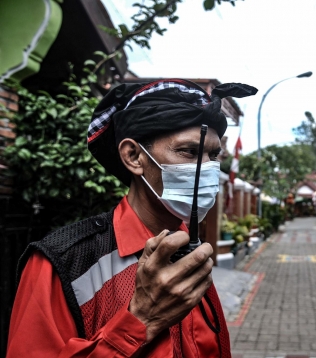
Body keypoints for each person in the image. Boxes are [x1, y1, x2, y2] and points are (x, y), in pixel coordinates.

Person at [7, 79, 257, 357]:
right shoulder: (64, 264)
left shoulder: (191, 248)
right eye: (189, 152)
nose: (207, 168)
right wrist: (140, 320)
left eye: (213, 155)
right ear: (134, 156)